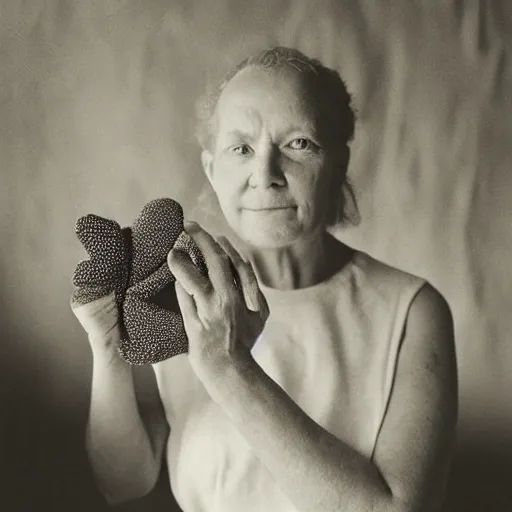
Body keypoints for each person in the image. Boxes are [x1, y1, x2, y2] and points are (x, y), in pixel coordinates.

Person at [72, 47, 458, 512]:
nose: (266, 175)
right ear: (212, 171)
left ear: (337, 162)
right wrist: (108, 346)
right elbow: (124, 483)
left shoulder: (414, 311)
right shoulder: (171, 294)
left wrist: (228, 366)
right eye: (242, 148)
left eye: (298, 143)